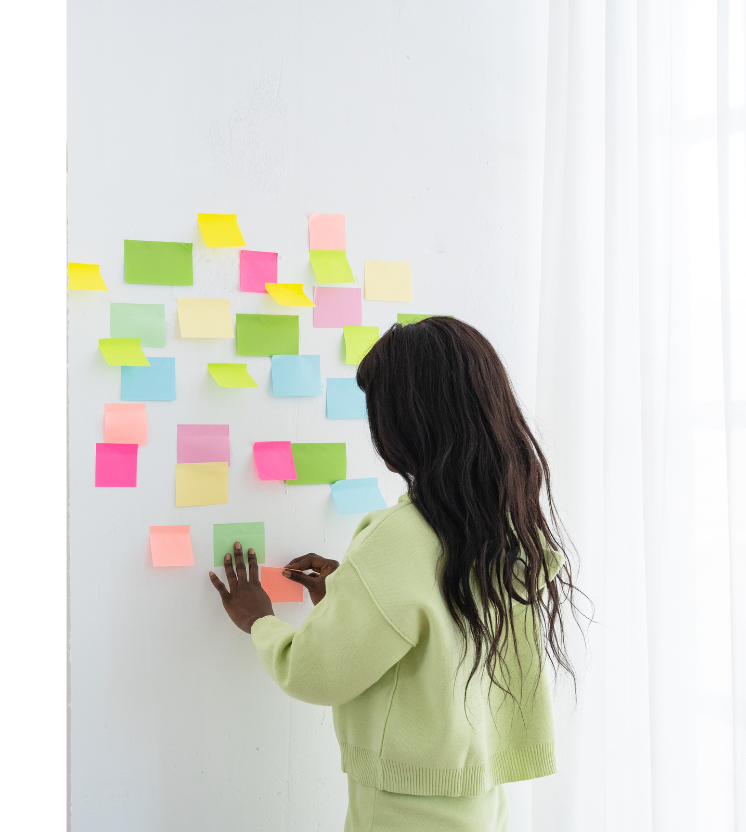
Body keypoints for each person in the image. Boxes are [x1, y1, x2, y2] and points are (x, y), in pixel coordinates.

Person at [210, 317, 579, 832]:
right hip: (481, 802)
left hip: (402, 812)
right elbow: (438, 627)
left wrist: (259, 620)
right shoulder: (507, 523)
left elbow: (314, 672)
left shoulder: (397, 539)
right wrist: (350, 592)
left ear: (407, 421)